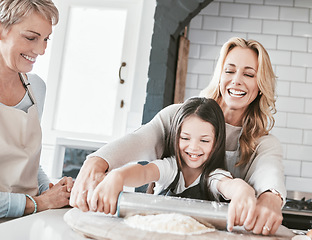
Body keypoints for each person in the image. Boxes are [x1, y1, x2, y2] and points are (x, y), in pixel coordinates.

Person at [70, 37, 286, 235]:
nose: (237, 80)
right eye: (229, 71)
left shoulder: (263, 144)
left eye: (248, 74)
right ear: (219, 76)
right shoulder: (179, 116)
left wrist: (269, 198)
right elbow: (140, 142)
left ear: (260, 86)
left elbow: (269, 172)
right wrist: (96, 163)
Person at [90, 97, 256, 222]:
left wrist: (243, 191)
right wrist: (118, 176)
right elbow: (144, 172)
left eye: (204, 140)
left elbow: (229, 185)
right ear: (175, 136)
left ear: (216, 143)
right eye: (185, 138)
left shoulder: (213, 177)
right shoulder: (171, 168)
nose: (193, 147)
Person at [0, 0, 73, 219]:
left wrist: (49, 190)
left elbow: (27, 160)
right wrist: (40, 203)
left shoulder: (36, 88)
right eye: (31, 38)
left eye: (46, 39)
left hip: (27, 222)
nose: (41, 50)